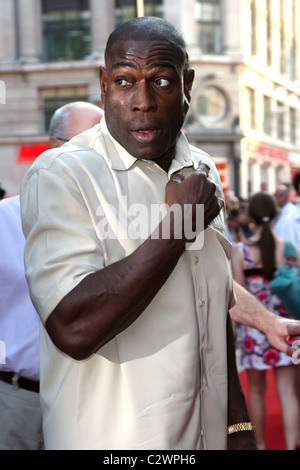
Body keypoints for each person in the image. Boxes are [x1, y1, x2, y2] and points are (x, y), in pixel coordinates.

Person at [20, 17, 257, 451]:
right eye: (126, 81)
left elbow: (209, 307)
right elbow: (73, 329)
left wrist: (238, 426)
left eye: (161, 81)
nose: (142, 101)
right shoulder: (62, 173)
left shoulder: (200, 168)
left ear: (187, 84)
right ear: (104, 84)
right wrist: (179, 226)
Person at [0, 101, 103, 450]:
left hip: (90, 402)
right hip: (18, 402)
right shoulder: (4, 220)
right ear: (52, 146)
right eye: (83, 146)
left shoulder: (114, 225)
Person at [232, 191, 300, 450]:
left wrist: (234, 335)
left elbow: (237, 296)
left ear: (251, 215)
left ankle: (260, 445)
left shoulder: (241, 251)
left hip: (254, 332)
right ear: (275, 213)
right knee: (289, 393)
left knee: (257, 393)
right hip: (287, 329)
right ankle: (293, 444)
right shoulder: (290, 249)